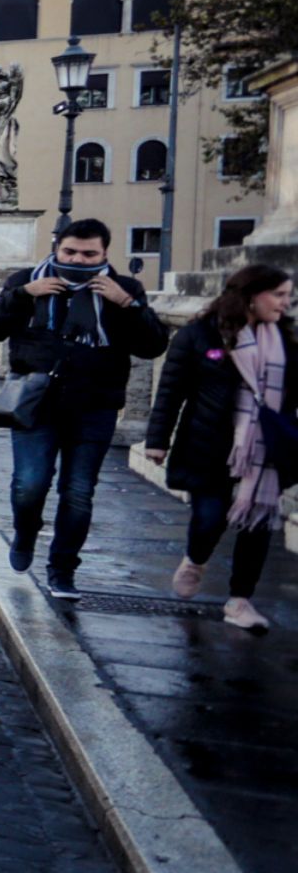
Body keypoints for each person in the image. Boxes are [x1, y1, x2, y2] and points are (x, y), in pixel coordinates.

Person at [0, 217, 170, 601]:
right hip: (35, 404)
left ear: (104, 254)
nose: (78, 260)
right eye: (70, 252)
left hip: (94, 406)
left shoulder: (123, 288)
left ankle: (63, 569)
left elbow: (152, 346)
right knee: (29, 484)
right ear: (56, 248)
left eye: (88, 254)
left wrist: (127, 304)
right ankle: (26, 532)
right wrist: (23, 295)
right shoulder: (25, 281)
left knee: (78, 491)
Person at [146, 263, 291, 633]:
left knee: (257, 525)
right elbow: (171, 390)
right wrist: (158, 440)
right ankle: (195, 560)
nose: (285, 303)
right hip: (208, 443)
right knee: (210, 517)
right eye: (278, 295)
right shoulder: (199, 335)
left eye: (288, 295)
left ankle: (240, 602)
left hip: (265, 453)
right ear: (251, 296)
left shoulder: (285, 342)